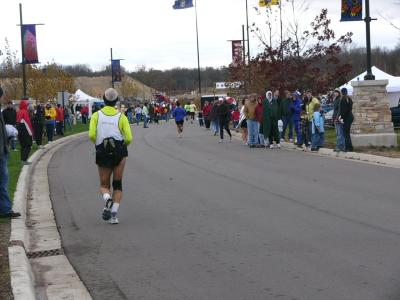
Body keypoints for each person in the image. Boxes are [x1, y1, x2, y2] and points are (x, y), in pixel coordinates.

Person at [89, 88, 132, 225]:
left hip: (102, 151)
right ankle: (114, 215)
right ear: (116, 101)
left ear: (104, 99)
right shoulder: (122, 117)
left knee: (104, 184)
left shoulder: (96, 115)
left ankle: (107, 198)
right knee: (117, 185)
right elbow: (129, 138)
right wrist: (122, 144)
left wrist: (97, 143)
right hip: (119, 152)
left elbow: (91, 135)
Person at [0, 87, 21, 218]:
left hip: (3, 149)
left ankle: (5, 208)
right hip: (0, 152)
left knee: (3, 182)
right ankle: (5, 210)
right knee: (3, 182)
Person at [16, 99, 33, 165]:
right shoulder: (24, 112)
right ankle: (24, 160)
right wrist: (31, 133)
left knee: (23, 146)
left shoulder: (19, 111)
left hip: (20, 131)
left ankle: (22, 160)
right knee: (28, 145)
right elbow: (27, 123)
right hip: (25, 131)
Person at [340, 88, 354, 152]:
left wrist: (342, 118)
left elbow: (344, 110)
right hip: (350, 116)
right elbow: (350, 108)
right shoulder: (349, 98)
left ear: (341, 92)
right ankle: (349, 147)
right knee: (347, 133)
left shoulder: (343, 99)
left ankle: (348, 148)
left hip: (347, 117)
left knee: (345, 133)